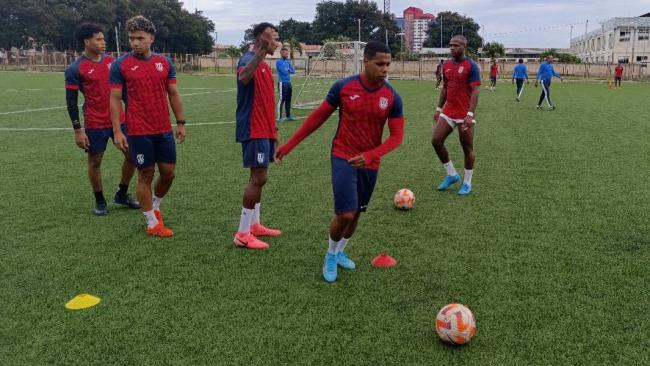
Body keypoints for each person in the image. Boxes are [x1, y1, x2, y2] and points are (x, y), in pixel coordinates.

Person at [275, 41, 405, 283]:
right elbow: (317, 118)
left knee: (357, 214)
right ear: (366, 62)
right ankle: (330, 255)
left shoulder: (392, 97)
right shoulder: (344, 87)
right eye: (380, 64)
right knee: (345, 213)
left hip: (369, 163)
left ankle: (340, 250)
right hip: (343, 155)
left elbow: (397, 137)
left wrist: (370, 155)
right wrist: (289, 145)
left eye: (388, 64)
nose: (385, 68)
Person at [109, 15, 187, 237]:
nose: (134, 43)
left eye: (140, 38)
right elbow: (114, 99)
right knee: (145, 174)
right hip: (137, 130)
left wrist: (180, 122)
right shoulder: (120, 65)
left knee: (169, 174)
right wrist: (117, 131)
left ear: (151, 38)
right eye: (131, 38)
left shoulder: (164, 63)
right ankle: (152, 223)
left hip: (163, 128)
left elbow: (173, 93)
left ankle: (155, 205)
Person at [64, 23, 139, 216]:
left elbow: (123, 92)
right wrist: (78, 131)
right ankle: (100, 200)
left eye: (103, 38)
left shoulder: (113, 63)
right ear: (87, 41)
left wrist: (133, 112)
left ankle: (121, 193)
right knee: (95, 161)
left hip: (120, 119)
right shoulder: (75, 68)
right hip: (95, 122)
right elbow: (71, 102)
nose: (103, 42)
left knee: (132, 155)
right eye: (99, 39)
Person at [233, 22, 283, 250]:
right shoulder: (247, 60)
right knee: (258, 178)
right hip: (253, 129)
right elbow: (243, 78)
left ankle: (255, 225)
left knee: (262, 177)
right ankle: (242, 232)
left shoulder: (264, 65)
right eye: (273, 38)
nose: (276, 42)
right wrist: (261, 51)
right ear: (261, 40)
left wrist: (275, 133)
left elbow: (266, 102)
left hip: (265, 129)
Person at [432, 35, 481, 196]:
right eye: (451, 45)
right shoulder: (446, 65)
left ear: (464, 47)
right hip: (449, 111)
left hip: (464, 114)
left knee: (467, 148)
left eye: (456, 45)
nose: (452, 48)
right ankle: (452, 174)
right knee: (436, 141)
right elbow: (445, 88)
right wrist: (439, 108)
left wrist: (470, 113)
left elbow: (475, 90)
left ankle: (467, 183)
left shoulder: (471, 66)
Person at [276, 47, 296, 121]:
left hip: (288, 83)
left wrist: (288, 70)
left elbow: (293, 71)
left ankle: (288, 116)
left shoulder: (288, 62)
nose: (286, 54)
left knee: (288, 99)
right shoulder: (278, 62)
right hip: (282, 83)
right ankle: (279, 117)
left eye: (287, 53)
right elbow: (283, 72)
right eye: (285, 53)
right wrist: (288, 70)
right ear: (281, 53)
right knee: (282, 99)